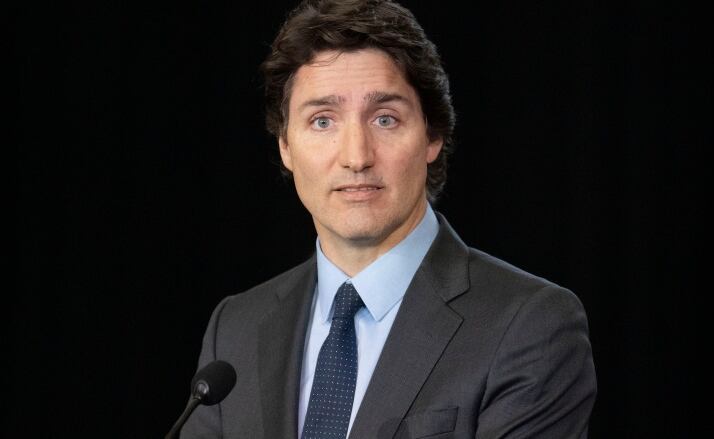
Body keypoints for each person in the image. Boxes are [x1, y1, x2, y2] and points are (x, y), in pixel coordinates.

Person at [181, 0, 596, 438]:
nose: (356, 157)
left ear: (433, 136)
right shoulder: (237, 327)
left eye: (385, 118)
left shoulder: (530, 325)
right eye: (322, 121)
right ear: (285, 145)